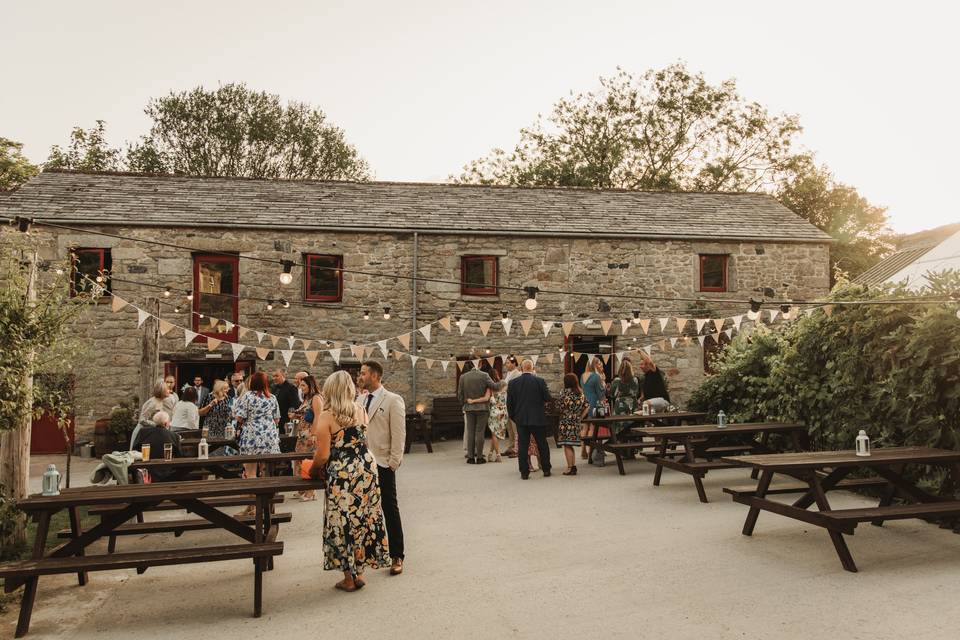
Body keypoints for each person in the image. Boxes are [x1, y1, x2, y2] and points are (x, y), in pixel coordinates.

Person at [309, 370, 390, 592]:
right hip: (366, 468)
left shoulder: (327, 416)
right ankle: (360, 572)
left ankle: (349, 578)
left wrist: (313, 470)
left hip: (343, 473)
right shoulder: (361, 410)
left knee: (343, 521)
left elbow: (323, 455)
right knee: (363, 519)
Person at [357, 360, 407, 576]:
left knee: (389, 507)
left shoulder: (393, 400)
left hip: (383, 462)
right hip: (361, 462)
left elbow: (399, 434)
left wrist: (393, 462)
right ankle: (369, 554)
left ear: (375, 376)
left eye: (363, 373)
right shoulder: (359, 399)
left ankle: (397, 555)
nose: (360, 376)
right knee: (364, 509)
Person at [233, 371, 281, 510]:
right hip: (269, 438)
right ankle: (265, 507)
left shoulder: (247, 396)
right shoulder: (272, 397)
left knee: (250, 472)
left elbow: (239, 418)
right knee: (266, 472)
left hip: (252, 437)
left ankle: (253, 507)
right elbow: (277, 419)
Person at [506, 359, 553, 480]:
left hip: (521, 419)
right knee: (542, 444)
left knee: (523, 446)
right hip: (538, 418)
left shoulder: (513, 383)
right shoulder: (540, 381)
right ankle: (546, 469)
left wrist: (514, 417)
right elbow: (548, 398)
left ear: (521, 369)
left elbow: (509, 404)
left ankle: (524, 472)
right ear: (532, 369)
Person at [457, 361, 500, 464]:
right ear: (479, 364)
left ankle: (471, 457)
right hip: (482, 408)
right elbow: (495, 387)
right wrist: (500, 382)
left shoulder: (463, 377)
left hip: (469, 407)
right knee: (479, 432)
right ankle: (480, 457)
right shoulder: (484, 375)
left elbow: (460, 394)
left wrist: (464, 403)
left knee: (470, 432)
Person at [131, 411, 185, 482]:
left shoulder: (143, 432)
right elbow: (179, 456)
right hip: (167, 474)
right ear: (166, 423)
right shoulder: (174, 436)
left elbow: (134, 451)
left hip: (145, 472)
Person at [294, 375, 323, 501]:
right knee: (299, 460)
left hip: (310, 435)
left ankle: (311, 491)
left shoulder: (316, 398)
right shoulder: (306, 398)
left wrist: (314, 434)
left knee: (308, 462)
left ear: (310, 386)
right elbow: (305, 414)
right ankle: (303, 488)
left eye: (303, 385)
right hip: (301, 435)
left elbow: (318, 416)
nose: (301, 388)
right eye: (300, 385)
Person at [557, 373, 589, 475]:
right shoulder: (581, 393)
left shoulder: (564, 393)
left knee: (567, 445)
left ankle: (570, 467)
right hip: (576, 421)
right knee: (570, 445)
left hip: (566, 421)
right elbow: (587, 406)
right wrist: (580, 416)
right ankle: (573, 466)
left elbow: (559, 406)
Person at [581, 357, 607, 463]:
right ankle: (591, 452)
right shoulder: (596, 377)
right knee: (593, 429)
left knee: (584, 428)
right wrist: (604, 386)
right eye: (599, 364)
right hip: (596, 404)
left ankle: (583, 450)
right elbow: (601, 393)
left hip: (586, 403)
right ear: (595, 365)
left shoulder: (582, 376)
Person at [611, 359, 641, 433]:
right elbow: (636, 393)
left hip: (620, 406)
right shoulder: (635, 380)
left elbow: (612, 394)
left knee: (620, 430)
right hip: (632, 405)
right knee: (633, 427)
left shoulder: (616, 381)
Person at [501, 356, 521, 457]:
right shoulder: (508, 374)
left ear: (514, 364)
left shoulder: (518, 374)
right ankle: (511, 446)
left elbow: (514, 389)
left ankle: (517, 449)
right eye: (506, 363)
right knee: (509, 428)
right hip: (506, 403)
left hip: (514, 404)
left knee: (515, 428)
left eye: (508, 363)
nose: (506, 365)